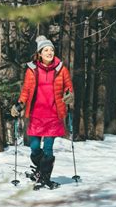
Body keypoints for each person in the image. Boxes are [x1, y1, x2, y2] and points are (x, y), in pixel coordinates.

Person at [11, 35, 74, 189]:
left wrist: (68, 95)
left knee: (48, 148)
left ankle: (44, 178)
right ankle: (41, 170)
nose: (49, 52)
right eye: (46, 50)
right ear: (39, 53)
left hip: (53, 114)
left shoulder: (61, 69)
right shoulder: (32, 70)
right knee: (34, 148)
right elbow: (26, 90)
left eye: (51, 50)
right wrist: (19, 104)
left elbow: (68, 86)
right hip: (35, 114)